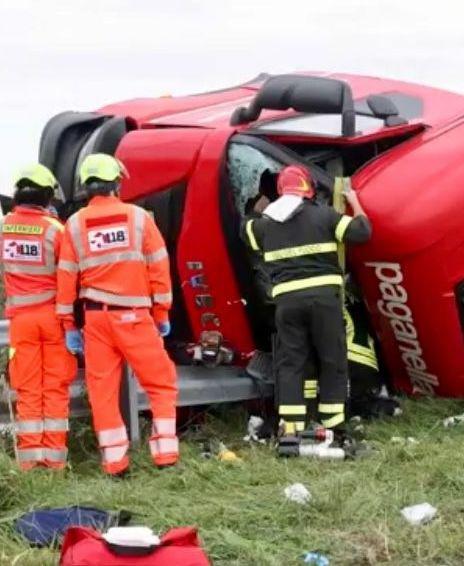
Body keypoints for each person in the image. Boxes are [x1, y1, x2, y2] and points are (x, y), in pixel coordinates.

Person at [56, 153, 178, 475]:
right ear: (115, 183)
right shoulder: (138, 218)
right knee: (161, 384)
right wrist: (162, 313)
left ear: (86, 187)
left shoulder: (75, 224)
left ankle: (115, 464)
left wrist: (69, 324)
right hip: (134, 317)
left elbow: (66, 276)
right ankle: (165, 457)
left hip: (95, 320)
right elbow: (158, 266)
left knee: (102, 393)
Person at [244, 164, 372, 448]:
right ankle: (333, 427)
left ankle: (290, 430)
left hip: (287, 304)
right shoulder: (324, 216)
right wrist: (354, 202)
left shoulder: (264, 225)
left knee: (291, 363)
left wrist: (260, 205)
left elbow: (246, 229)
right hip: (324, 302)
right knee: (332, 360)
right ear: (309, 190)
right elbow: (362, 232)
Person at [1, 164, 76, 470]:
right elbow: (71, 273)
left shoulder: (5, 227)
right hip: (53, 317)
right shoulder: (56, 229)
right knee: (55, 387)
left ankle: (29, 461)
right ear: (46, 196)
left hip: (21, 321)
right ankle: (54, 459)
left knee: (28, 387)